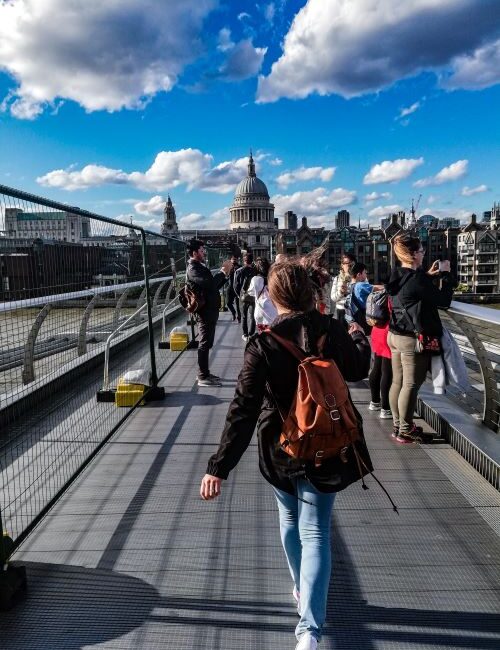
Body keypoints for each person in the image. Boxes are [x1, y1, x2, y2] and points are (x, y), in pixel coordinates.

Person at [200, 261, 371, 650]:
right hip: (327, 446)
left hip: (280, 447)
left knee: (290, 521)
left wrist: (218, 467)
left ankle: (299, 586)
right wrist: (357, 334)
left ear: (273, 299)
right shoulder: (331, 330)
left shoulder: (262, 344)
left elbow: (242, 410)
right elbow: (360, 368)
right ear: (312, 293)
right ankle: (309, 631)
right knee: (316, 532)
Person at [386, 234, 454, 443]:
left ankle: (398, 425)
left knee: (397, 382)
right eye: (422, 251)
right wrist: (446, 276)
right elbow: (443, 301)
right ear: (414, 254)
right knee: (411, 385)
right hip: (411, 339)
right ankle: (406, 430)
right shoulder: (417, 279)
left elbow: (412, 288)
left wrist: (429, 275)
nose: (424, 254)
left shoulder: (396, 275)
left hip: (394, 335)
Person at [186, 239, 227, 387]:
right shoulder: (193, 268)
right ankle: (202, 376)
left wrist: (225, 274)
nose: (204, 252)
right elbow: (210, 285)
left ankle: (205, 372)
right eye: (202, 250)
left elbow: (213, 287)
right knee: (204, 342)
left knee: (207, 342)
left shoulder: (199, 266)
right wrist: (222, 272)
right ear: (195, 252)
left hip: (210, 310)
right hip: (204, 312)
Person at [344, 262, 384, 335]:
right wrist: (389, 286)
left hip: (355, 319)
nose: (366, 275)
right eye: (365, 273)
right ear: (359, 274)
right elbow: (377, 288)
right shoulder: (360, 285)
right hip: (364, 318)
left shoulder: (350, 286)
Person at [368, 322, 393, 418]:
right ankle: (386, 409)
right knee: (387, 371)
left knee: (377, 367)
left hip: (376, 330)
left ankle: (374, 402)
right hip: (388, 332)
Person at [247, 257, 278, 331]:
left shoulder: (255, 279)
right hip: (274, 312)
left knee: (263, 337)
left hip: (261, 313)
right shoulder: (274, 277)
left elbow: (251, 292)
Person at [234, 253, 256, 341]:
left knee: (244, 316)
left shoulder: (239, 271)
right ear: (252, 260)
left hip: (243, 296)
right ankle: (251, 333)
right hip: (253, 296)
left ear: (244, 261)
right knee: (252, 316)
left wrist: (239, 294)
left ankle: (245, 334)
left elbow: (235, 286)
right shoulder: (255, 271)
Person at [330, 252, 356, 320]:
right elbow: (333, 298)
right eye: (346, 263)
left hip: (355, 311)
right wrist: (341, 293)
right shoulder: (337, 278)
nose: (349, 265)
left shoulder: (359, 277)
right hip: (341, 312)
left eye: (351, 263)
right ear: (342, 265)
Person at [226, 255, 241, 323]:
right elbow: (226, 275)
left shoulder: (240, 267)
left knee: (238, 304)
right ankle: (233, 313)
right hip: (230, 287)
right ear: (231, 260)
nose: (234, 260)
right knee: (228, 303)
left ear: (237, 260)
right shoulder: (229, 267)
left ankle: (239, 317)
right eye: (233, 259)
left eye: (235, 259)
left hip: (237, 287)